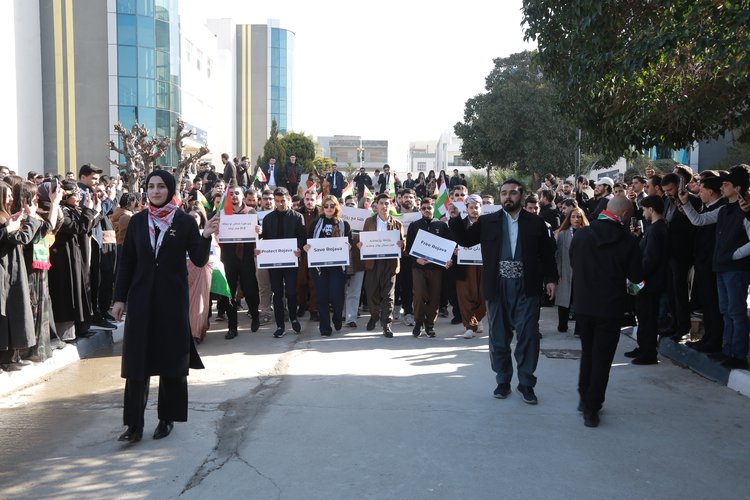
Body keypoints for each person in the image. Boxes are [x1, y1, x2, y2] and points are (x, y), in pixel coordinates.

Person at [112, 170, 218, 443]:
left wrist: (206, 235)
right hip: (141, 300)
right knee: (137, 361)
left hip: (172, 300)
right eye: (151, 186)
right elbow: (127, 262)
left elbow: (198, 259)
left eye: (161, 186)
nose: (156, 191)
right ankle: (133, 425)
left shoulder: (184, 221)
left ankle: (167, 418)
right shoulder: (137, 221)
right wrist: (119, 298)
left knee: (172, 359)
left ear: (170, 189)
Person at [449, 179, 558, 405]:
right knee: (498, 336)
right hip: (497, 286)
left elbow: (547, 254)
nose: (508, 196)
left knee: (528, 335)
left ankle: (526, 383)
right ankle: (503, 380)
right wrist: (455, 218)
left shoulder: (536, 223)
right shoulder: (488, 221)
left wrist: (551, 279)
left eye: (513, 193)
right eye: (504, 193)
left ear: (521, 195)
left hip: (526, 287)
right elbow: (466, 240)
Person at [569, 197, 644, 427]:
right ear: (624, 216)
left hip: (583, 305)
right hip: (611, 307)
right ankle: (592, 406)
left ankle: (584, 397)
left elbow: (574, 264)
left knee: (588, 352)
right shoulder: (629, 241)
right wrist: (630, 294)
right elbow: (637, 280)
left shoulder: (581, 235)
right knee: (602, 358)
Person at [681, 165, 750, 369]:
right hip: (721, 267)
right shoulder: (724, 210)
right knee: (726, 311)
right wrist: (685, 202)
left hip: (736, 270)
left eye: (726, 184)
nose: (722, 188)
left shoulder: (745, 210)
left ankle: (738, 355)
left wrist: (734, 255)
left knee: (736, 313)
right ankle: (727, 351)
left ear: (737, 188)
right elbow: (699, 220)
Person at [49, 181, 100, 342]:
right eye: (75, 194)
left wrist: (94, 211)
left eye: (79, 194)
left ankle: (82, 327)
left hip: (77, 256)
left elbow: (89, 224)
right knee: (70, 293)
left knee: (81, 291)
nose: (78, 197)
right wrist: (89, 210)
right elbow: (78, 227)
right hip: (64, 258)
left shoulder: (73, 210)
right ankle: (70, 332)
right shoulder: (61, 210)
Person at [624, 195, 669, 365]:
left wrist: (637, 278)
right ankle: (643, 347)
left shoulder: (657, 229)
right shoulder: (654, 228)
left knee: (647, 318)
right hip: (646, 281)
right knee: (642, 316)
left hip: (649, 283)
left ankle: (648, 352)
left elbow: (650, 259)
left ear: (651, 209)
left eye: (644, 210)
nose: (643, 213)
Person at [257, 187, 306, 338]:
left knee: (291, 292)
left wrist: (299, 249)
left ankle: (293, 318)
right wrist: (259, 248)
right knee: (277, 293)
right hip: (274, 263)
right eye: (277, 201)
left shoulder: (297, 217)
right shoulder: (268, 218)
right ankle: (280, 325)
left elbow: (302, 237)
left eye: (282, 201)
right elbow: (264, 239)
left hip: (291, 262)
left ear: (288, 200)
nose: (280, 204)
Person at [303, 196, 351, 336]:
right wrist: (305, 247)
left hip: (337, 266)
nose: (329, 208)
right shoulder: (315, 223)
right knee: (322, 297)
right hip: (319, 267)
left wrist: (349, 246)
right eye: (326, 206)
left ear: (336, 207)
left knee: (337, 296)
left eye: (332, 206)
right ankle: (325, 328)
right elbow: (308, 241)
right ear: (322, 208)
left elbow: (349, 242)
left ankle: (337, 318)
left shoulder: (344, 224)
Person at [359, 193, 405, 338]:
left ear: (391, 205)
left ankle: (386, 324)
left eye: (387, 203)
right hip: (373, 262)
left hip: (390, 263)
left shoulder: (397, 224)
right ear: (376, 206)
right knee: (371, 292)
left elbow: (403, 243)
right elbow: (363, 239)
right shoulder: (369, 221)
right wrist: (361, 245)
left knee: (388, 295)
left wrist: (402, 244)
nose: (384, 206)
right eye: (381, 203)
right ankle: (374, 316)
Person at [406, 196, 452, 338]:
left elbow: (448, 246)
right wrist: (417, 259)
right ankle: (418, 322)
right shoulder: (414, 225)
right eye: (424, 208)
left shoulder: (442, 226)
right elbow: (409, 248)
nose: (426, 210)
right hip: (418, 267)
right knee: (419, 294)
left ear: (434, 209)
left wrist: (448, 259)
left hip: (436, 268)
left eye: (429, 207)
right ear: (420, 209)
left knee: (434, 296)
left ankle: (430, 324)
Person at [220, 186, 261, 339]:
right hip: (228, 258)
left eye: (237, 193)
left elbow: (258, 234)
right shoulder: (223, 213)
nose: (234, 196)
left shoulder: (251, 212)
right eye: (231, 194)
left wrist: (259, 231)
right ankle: (232, 327)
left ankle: (255, 315)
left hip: (246, 257)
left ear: (243, 196)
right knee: (229, 292)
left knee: (250, 290)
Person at [454, 195, 486, 339]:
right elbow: (452, 240)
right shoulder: (458, 224)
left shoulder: (488, 224)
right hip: (464, 266)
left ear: (481, 208)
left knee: (483, 295)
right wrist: (454, 250)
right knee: (465, 296)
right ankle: (469, 326)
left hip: (483, 266)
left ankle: (478, 318)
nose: (474, 210)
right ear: (466, 209)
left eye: (476, 207)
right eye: (471, 207)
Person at [554, 206, 589, 333]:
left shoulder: (588, 233)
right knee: (564, 299)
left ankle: (579, 329)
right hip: (565, 270)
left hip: (582, 272)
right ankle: (562, 325)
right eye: (573, 216)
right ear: (569, 219)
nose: (576, 219)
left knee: (581, 300)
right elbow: (558, 255)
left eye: (578, 216)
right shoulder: (562, 234)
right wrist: (558, 273)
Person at [296, 190, 320, 321]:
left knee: (314, 283)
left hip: (317, 252)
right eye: (307, 199)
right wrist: (301, 246)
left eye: (312, 199)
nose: (309, 202)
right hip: (302, 252)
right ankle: (302, 305)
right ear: (304, 200)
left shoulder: (321, 214)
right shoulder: (297, 214)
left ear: (316, 201)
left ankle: (314, 310)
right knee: (300, 282)